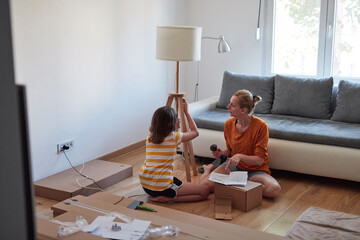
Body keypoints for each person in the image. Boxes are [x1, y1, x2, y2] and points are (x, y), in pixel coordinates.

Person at [199, 89, 281, 198]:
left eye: (232, 105)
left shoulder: (261, 126)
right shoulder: (229, 124)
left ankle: (235, 184)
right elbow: (230, 151)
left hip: (255, 171)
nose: (228, 107)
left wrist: (240, 156)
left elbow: (259, 160)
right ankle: (208, 169)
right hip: (233, 168)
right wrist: (222, 154)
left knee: (273, 189)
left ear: (243, 110)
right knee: (204, 186)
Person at [139, 99, 210, 203]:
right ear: (170, 123)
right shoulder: (173, 137)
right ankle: (165, 198)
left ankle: (166, 195)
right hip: (161, 186)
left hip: (146, 184)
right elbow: (195, 132)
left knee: (175, 181)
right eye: (176, 119)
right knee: (205, 191)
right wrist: (186, 112)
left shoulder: (150, 136)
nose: (179, 120)